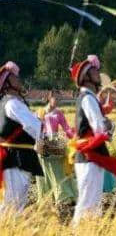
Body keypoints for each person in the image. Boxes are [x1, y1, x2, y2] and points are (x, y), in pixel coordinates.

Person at [69, 54, 116, 225]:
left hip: (91, 155)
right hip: (89, 156)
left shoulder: (89, 98)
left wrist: (107, 126)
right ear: (86, 77)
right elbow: (100, 128)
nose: (98, 73)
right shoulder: (88, 98)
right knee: (88, 203)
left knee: (91, 203)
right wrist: (109, 127)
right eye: (94, 70)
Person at [0, 61, 43, 214]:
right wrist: (49, 141)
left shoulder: (9, 103)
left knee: (13, 202)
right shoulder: (12, 103)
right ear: (6, 83)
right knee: (14, 204)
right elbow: (34, 126)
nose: (18, 79)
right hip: (16, 157)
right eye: (14, 78)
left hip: (15, 157)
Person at [36, 90, 77, 205]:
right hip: (42, 143)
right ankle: (47, 197)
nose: (58, 101)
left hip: (55, 143)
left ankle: (63, 195)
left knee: (58, 170)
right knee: (44, 170)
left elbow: (66, 128)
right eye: (56, 99)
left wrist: (75, 137)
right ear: (50, 98)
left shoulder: (59, 113)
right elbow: (34, 127)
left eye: (60, 99)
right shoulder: (40, 112)